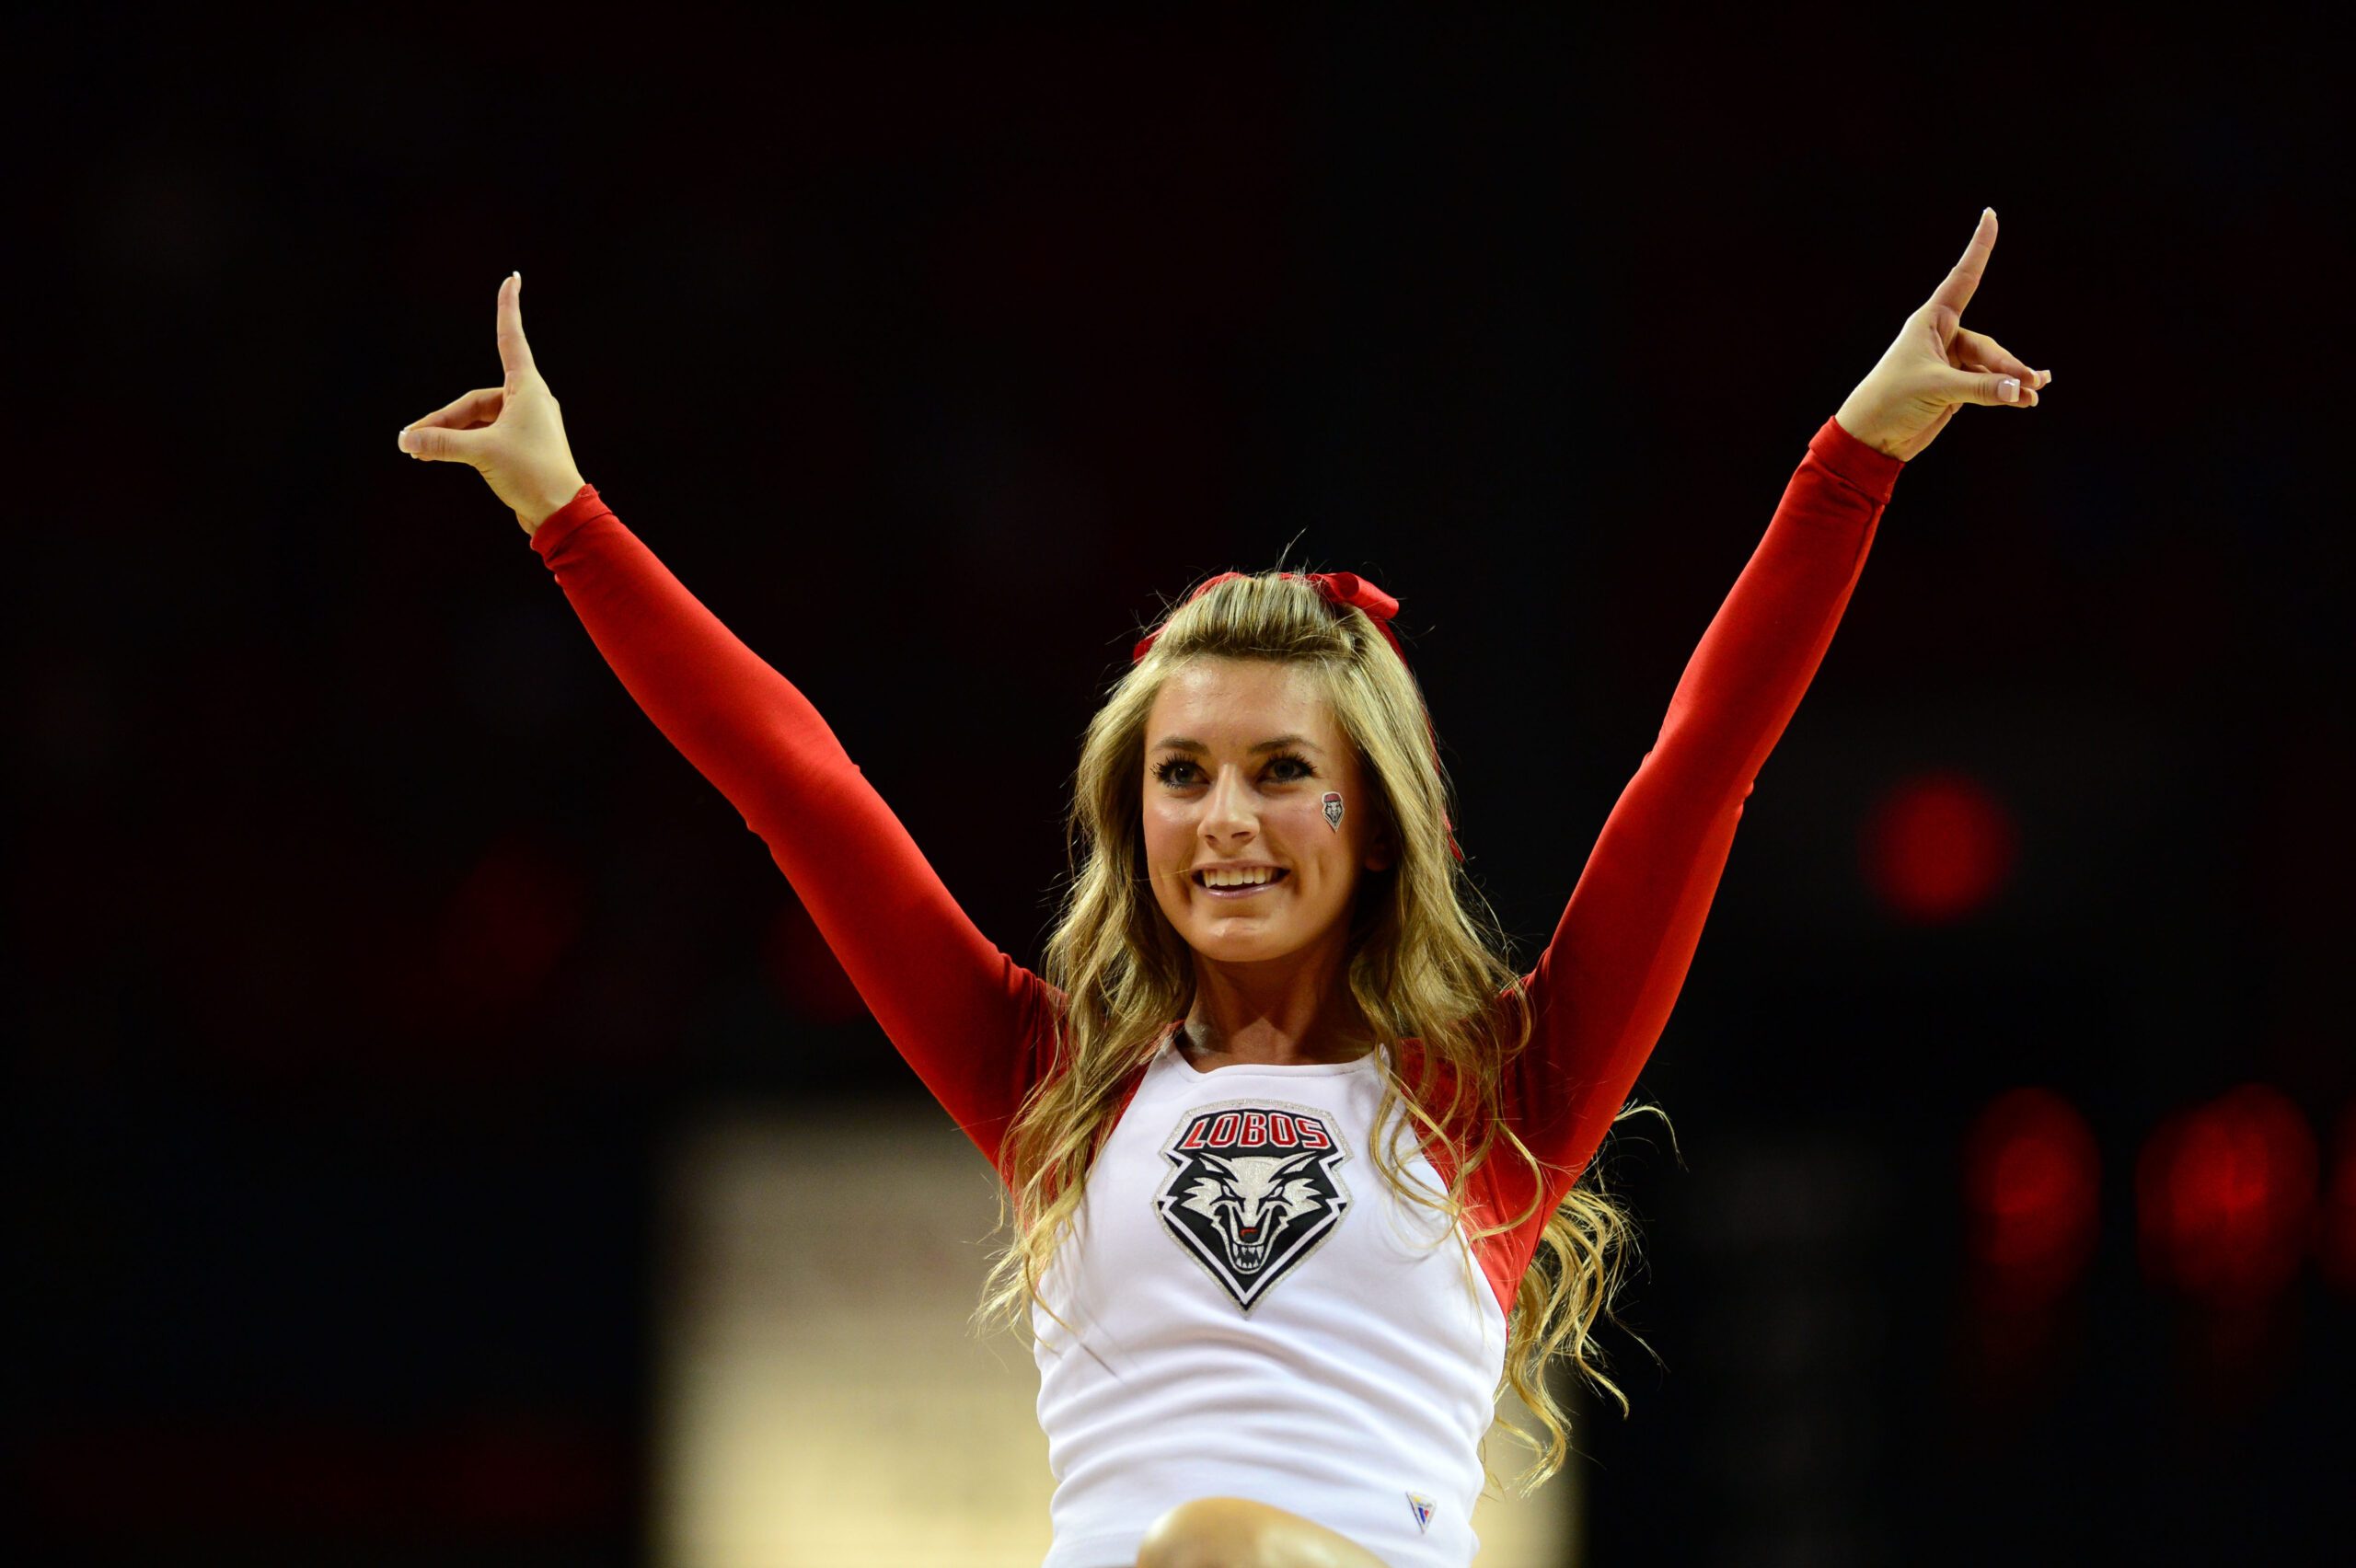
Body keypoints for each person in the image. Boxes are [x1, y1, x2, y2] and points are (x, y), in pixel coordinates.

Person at [398, 209, 2049, 1568]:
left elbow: (1699, 766)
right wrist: (562, 508)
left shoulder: (1495, 1098)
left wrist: (1859, 456)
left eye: (1279, 773)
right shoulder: (1055, 1086)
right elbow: (800, 788)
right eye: (1179, 775)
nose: (1225, 820)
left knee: (1232, 1551)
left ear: (1376, 816)